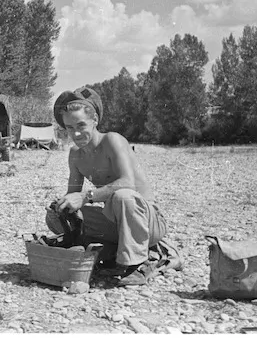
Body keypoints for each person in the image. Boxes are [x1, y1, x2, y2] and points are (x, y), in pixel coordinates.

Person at [48, 86, 168, 286]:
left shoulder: (112, 140)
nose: (76, 133)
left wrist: (86, 197)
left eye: (81, 125)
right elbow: (73, 195)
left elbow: (127, 183)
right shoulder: (76, 154)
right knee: (57, 214)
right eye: (69, 128)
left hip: (146, 221)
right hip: (117, 222)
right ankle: (112, 251)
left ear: (94, 120)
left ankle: (136, 264)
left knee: (123, 196)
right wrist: (64, 204)